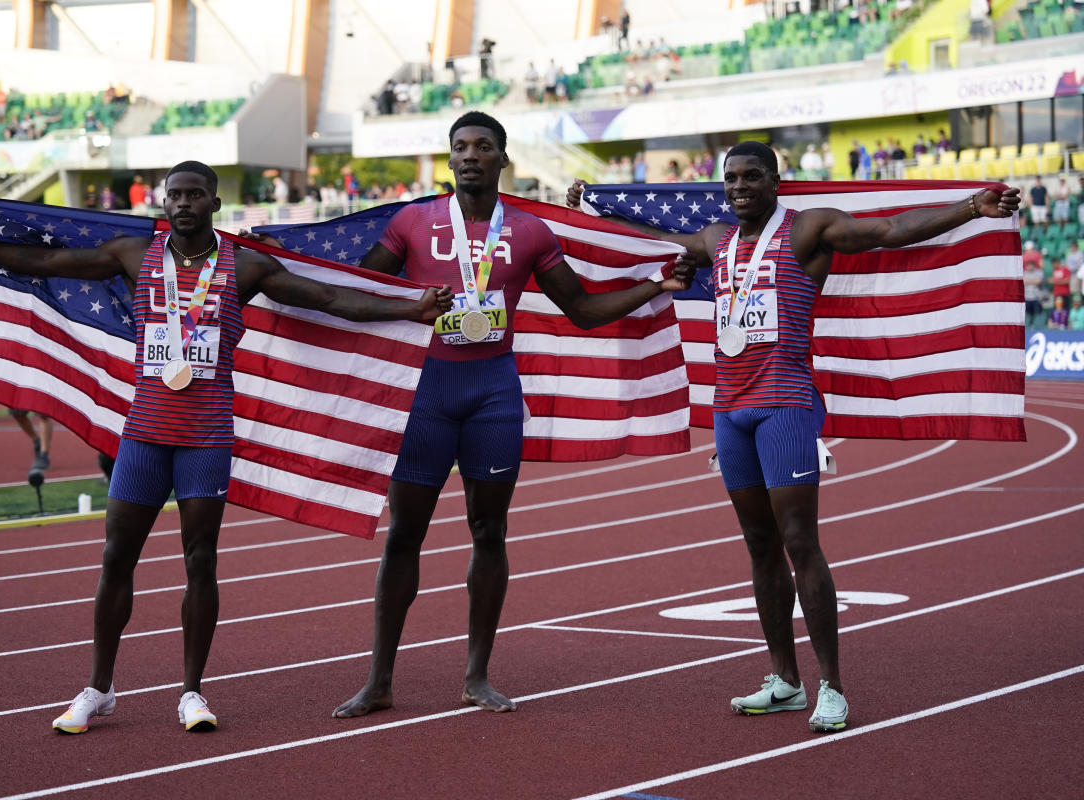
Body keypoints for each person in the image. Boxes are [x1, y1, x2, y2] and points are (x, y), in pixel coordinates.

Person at [0, 160, 453, 734]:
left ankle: (192, 693)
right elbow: (49, 262)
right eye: (174, 195)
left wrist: (411, 308)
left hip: (205, 436)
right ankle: (98, 688)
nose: (183, 204)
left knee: (200, 562)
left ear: (214, 204)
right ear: (164, 202)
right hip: (145, 434)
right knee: (115, 558)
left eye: (195, 195)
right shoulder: (135, 254)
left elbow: (327, 298)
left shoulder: (246, 266)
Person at [568, 140, 1020, 733]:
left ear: (776, 182)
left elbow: (888, 230)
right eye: (731, 178)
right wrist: (590, 212)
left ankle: (831, 685)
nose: (739, 186)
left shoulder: (808, 230)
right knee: (760, 547)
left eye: (752, 176)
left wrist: (969, 208)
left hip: (785, 402)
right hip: (729, 410)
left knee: (800, 542)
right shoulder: (714, 241)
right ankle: (784, 679)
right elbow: (650, 243)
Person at [327, 112, 691, 719]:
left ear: (502, 160)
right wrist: (406, 306)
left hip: (493, 392)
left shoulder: (528, 231)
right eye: (460, 147)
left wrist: (655, 286)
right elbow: (355, 288)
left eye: (483, 147)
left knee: (489, 532)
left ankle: (477, 676)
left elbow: (583, 310)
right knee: (404, 534)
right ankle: (379, 680)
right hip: (426, 392)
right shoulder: (412, 222)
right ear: (449, 161)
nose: (471, 155)